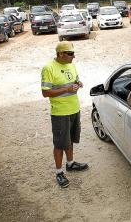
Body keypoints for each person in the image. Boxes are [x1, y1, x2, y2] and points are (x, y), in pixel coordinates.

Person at [41, 41, 88, 188]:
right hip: (60, 113)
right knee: (60, 144)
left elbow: (75, 80)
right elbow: (45, 92)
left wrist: (78, 83)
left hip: (74, 109)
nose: (73, 56)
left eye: (73, 53)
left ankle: (70, 164)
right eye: (70, 54)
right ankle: (59, 172)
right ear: (60, 54)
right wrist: (66, 89)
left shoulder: (71, 65)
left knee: (70, 139)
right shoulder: (48, 68)